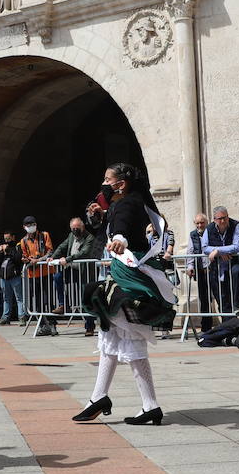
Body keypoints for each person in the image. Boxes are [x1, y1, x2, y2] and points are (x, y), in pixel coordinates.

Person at [75, 163, 176, 426]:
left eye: (107, 179)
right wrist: (100, 216)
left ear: (120, 183)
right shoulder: (126, 202)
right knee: (109, 334)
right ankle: (101, 397)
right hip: (125, 274)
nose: (103, 183)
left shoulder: (127, 203)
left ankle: (148, 404)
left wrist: (120, 238)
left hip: (130, 279)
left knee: (128, 337)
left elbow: (122, 226)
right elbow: (111, 225)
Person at [47, 217, 96, 324]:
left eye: (77, 228)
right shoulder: (71, 236)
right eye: (73, 228)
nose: (75, 231)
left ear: (82, 227)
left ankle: (90, 326)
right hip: (72, 269)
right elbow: (62, 247)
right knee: (57, 277)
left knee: (86, 297)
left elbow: (84, 252)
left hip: (84, 271)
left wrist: (67, 259)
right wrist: (53, 257)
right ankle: (63, 305)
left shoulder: (90, 238)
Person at [202, 206, 239, 319]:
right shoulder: (209, 228)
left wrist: (218, 250)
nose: (223, 221)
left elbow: (238, 246)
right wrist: (221, 253)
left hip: (233, 263)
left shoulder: (236, 225)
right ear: (214, 219)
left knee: (236, 273)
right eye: (220, 218)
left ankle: (236, 305)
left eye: (225, 217)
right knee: (221, 300)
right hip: (217, 268)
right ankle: (227, 326)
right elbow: (205, 247)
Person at [19, 217, 60, 316]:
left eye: (33, 224)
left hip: (47, 271)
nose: (31, 227)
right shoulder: (23, 241)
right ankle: (42, 324)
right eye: (28, 225)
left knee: (49, 297)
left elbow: (50, 252)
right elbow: (25, 255)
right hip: (33, 274)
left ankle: (52, 324)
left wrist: (38, 260)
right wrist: (26, 260)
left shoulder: (44, 235)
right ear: (24, 227)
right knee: (37, 299)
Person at [187, 213, 216, 333]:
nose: (200, 225)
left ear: (206, 222)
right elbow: (190, 251)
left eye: (202, 222)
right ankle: (206, 327)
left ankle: (225, 324)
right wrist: (190, 266)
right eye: (197, 223)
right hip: (201, 270)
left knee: (219, 296)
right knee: (204, 299)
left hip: (213, 269)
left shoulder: (212, 232)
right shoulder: (192, 235)